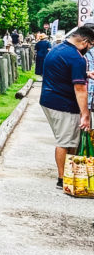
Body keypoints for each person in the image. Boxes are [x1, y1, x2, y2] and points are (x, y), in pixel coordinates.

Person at [39, 24, 94, 189]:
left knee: (69, 139)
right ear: (84, 41)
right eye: (91, 45)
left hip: (49, 100)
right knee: (65, 140)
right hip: (63, 104)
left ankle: (69, 173)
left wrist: (85, 74)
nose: (90, 49)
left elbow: (61, 71)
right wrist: (85, 114)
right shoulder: (77, 58)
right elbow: (80, 90)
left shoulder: (59, 49)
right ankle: (62, 179)